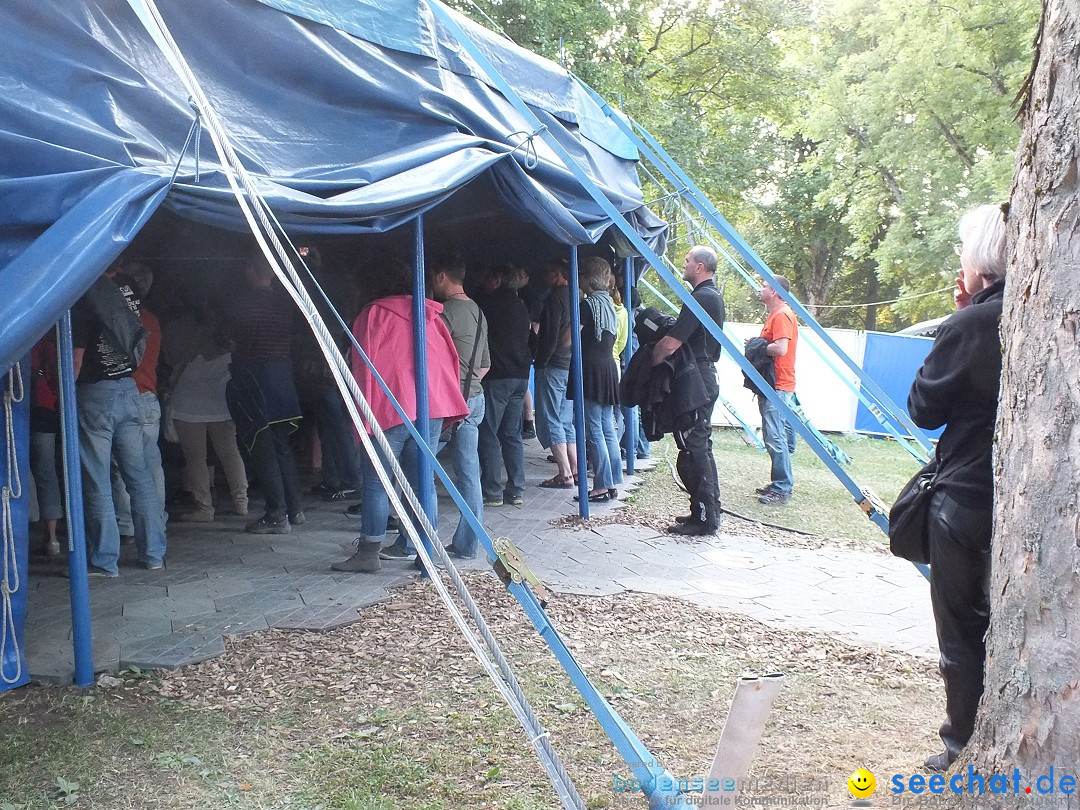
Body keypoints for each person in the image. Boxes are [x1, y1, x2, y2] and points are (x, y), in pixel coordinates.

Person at [907, 204, 1008, 772]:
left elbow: (924, 407)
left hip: (967, 495)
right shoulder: (1033, 312)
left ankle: (959, 740)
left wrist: (956, 321)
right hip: (1008, 495)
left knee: (960, 626)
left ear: (979, 260)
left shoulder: (972, 323)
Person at [332, 260, 467, 573]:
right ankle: (426, 555)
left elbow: (363, 367)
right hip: (431, 407)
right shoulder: (431, 313)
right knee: (423, 485)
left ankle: (368, 553)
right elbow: (449, 361)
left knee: (378, 483)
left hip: (388, 409)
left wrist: (361, 416)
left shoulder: (373, 314)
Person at [72, 263, 168, 575]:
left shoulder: (82, 291)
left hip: (96, 392)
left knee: (98, 479)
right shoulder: (128, 288)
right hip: (130, 386)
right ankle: (154, 554)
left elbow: (75, 361)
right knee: (139, 478)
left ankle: (104, 560)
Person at [227, 252, 304, 535]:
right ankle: (295, 508)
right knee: (282, 446)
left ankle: (276, 515)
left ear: (250, 269)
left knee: (262, 446)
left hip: (256, 380)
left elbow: (229, 338)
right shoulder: (285, 303)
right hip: (282, 378)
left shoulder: (241, 304)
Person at [651, 245, 725, 535]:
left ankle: (705, 518)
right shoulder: (709, 296)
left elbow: (672, 342)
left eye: (688, 260)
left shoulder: (703, 297)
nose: (684, 263)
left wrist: (652, 360)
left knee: (695, 447)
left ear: (700, 267)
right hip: (702, 376)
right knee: (696, 446)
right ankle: (703, 511)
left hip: (698, 378)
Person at [163, 289, 249, 522]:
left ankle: (204, 508)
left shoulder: (177, 328)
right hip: (222, 399)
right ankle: (241, 502)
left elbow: (170, 360)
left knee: (195, 458)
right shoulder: (230, 329)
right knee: (230, 452)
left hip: (187, 400)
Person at [430, 254, 490, 558]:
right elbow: (484, 366)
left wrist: (452, 390)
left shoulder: (444, 313)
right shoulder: (479, 312)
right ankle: (467, 543)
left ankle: (413, 537)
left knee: (419, 463)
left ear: (442, 276)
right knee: (469, 474)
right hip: (475, 399)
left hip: (453, 405)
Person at [475, 264, 531, 509]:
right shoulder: (521, 306)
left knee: (488, 432)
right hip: (521, 377)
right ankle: (516, 489)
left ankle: (492, 491)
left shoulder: (488, 306)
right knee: (512, 435)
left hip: (497, 376)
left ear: (497, 280)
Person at [570, 257, 622, 501]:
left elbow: (570, 339)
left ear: (586, 278)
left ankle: (601, 484)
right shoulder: (611, 304)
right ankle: (612, 480)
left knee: (594, 429)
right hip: (608, 367)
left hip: (590, 368)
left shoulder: (587, 305)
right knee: (607, 428)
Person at [754, 275, 799, 505]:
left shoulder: (782, 314)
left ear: (775, 292)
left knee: (775, 437)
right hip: (774, 384)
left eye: (764, 286)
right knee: (773, 435)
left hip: (778, 385)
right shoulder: (776, 314)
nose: (759, 289)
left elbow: (780, 348)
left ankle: (782, 487)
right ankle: (779, 483)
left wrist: (757, 347)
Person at [534, 258, 578, 489]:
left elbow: (549, 334)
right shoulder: (577, 297)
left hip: (554, 365)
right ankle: (576, 468)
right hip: (570, 365)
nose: (544, 277)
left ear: (559, 274)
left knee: (550, 417)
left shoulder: (555, 298)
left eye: (548, 272)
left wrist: (541, 361)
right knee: (565, 419)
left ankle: (564, 473)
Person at [29, 335, 62, 557]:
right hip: (45, 407)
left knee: (13, 468)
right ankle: (52, 538)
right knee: (47, 473)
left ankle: (19, 528)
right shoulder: (47, 334)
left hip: (14, 408)